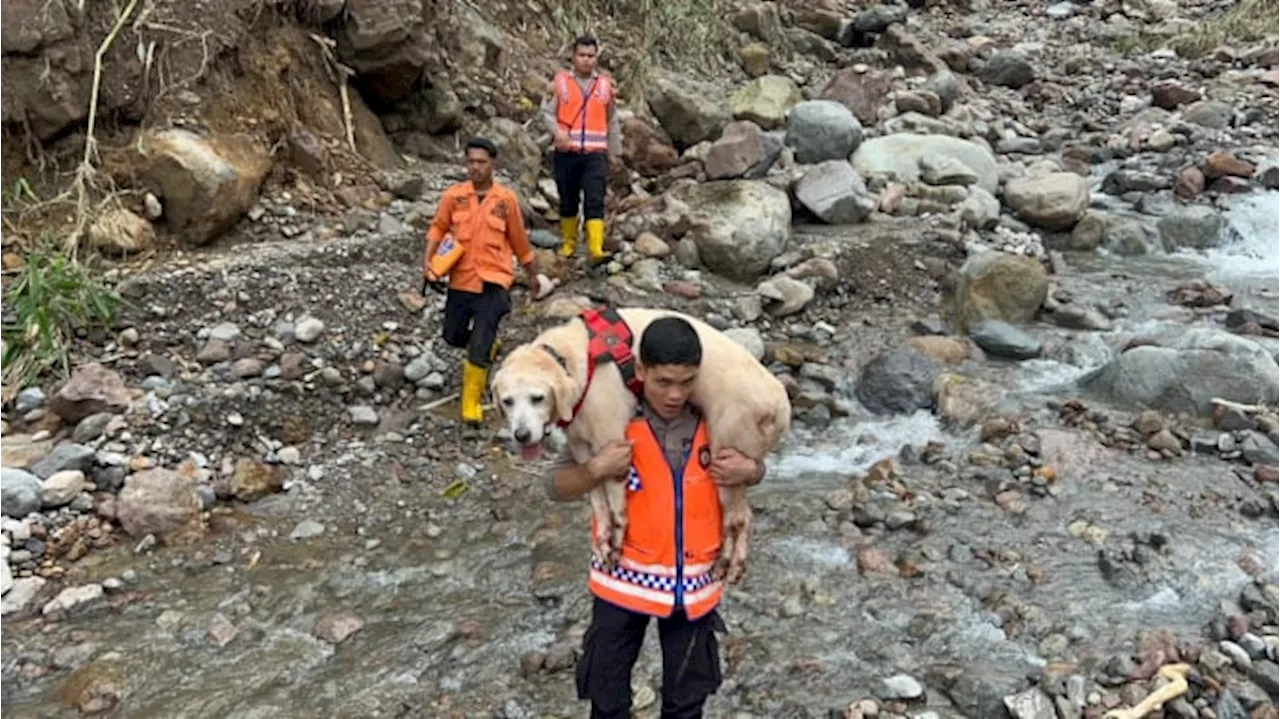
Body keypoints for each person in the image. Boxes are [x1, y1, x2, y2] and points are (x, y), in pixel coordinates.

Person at [545, 317, 767, 719]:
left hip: (695, 587)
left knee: (686, 706)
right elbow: (555, 487)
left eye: (687, 382)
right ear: (641, 369)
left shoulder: (717, 418)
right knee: (607, 703)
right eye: (664, 382)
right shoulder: (608, 417)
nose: (675, 394)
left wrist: (751, 472)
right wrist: (596, 468)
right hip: (622, 582)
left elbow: (755, 467)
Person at [423, 137, 538, 425]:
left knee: (479, 342)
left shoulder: (506, 201)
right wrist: (428, 262)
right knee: (452, 335)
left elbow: (519, 241)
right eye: (471, 161)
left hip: (493, 281)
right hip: (461, 279)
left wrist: (532, 276)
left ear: (492, 164)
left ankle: (470, 404)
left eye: (481, 162)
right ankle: (488, 346)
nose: (475, 167)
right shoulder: (454, 196)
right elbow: (438, 228)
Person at [540, 34, 622, 264]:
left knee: (595, 199)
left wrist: (615, 153)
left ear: (596, 58)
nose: (586, 60)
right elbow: (546, 113)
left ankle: (595, 247)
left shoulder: (605, 86)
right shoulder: (560, 83)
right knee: (568, 199)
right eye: (582, 55)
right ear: (573, 57)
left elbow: (612, 120)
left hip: (595, 153)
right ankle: (569, 243)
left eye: (591, 56)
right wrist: (557, 133)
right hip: (567, 152)